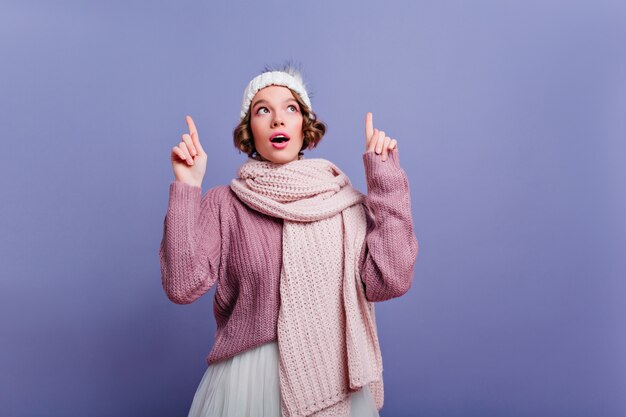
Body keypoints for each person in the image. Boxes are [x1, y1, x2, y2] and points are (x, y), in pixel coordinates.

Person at [159, 64, 418, 417]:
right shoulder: (225, 204)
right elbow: (182, 285)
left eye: (290, 108)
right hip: (246, 386)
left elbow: (391, 280)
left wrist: (385, 182)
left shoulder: (343, 204)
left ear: (304, 126)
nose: (277, 119)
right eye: (262, 110)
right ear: (249, 130)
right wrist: (187, 188)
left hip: (333, 380)